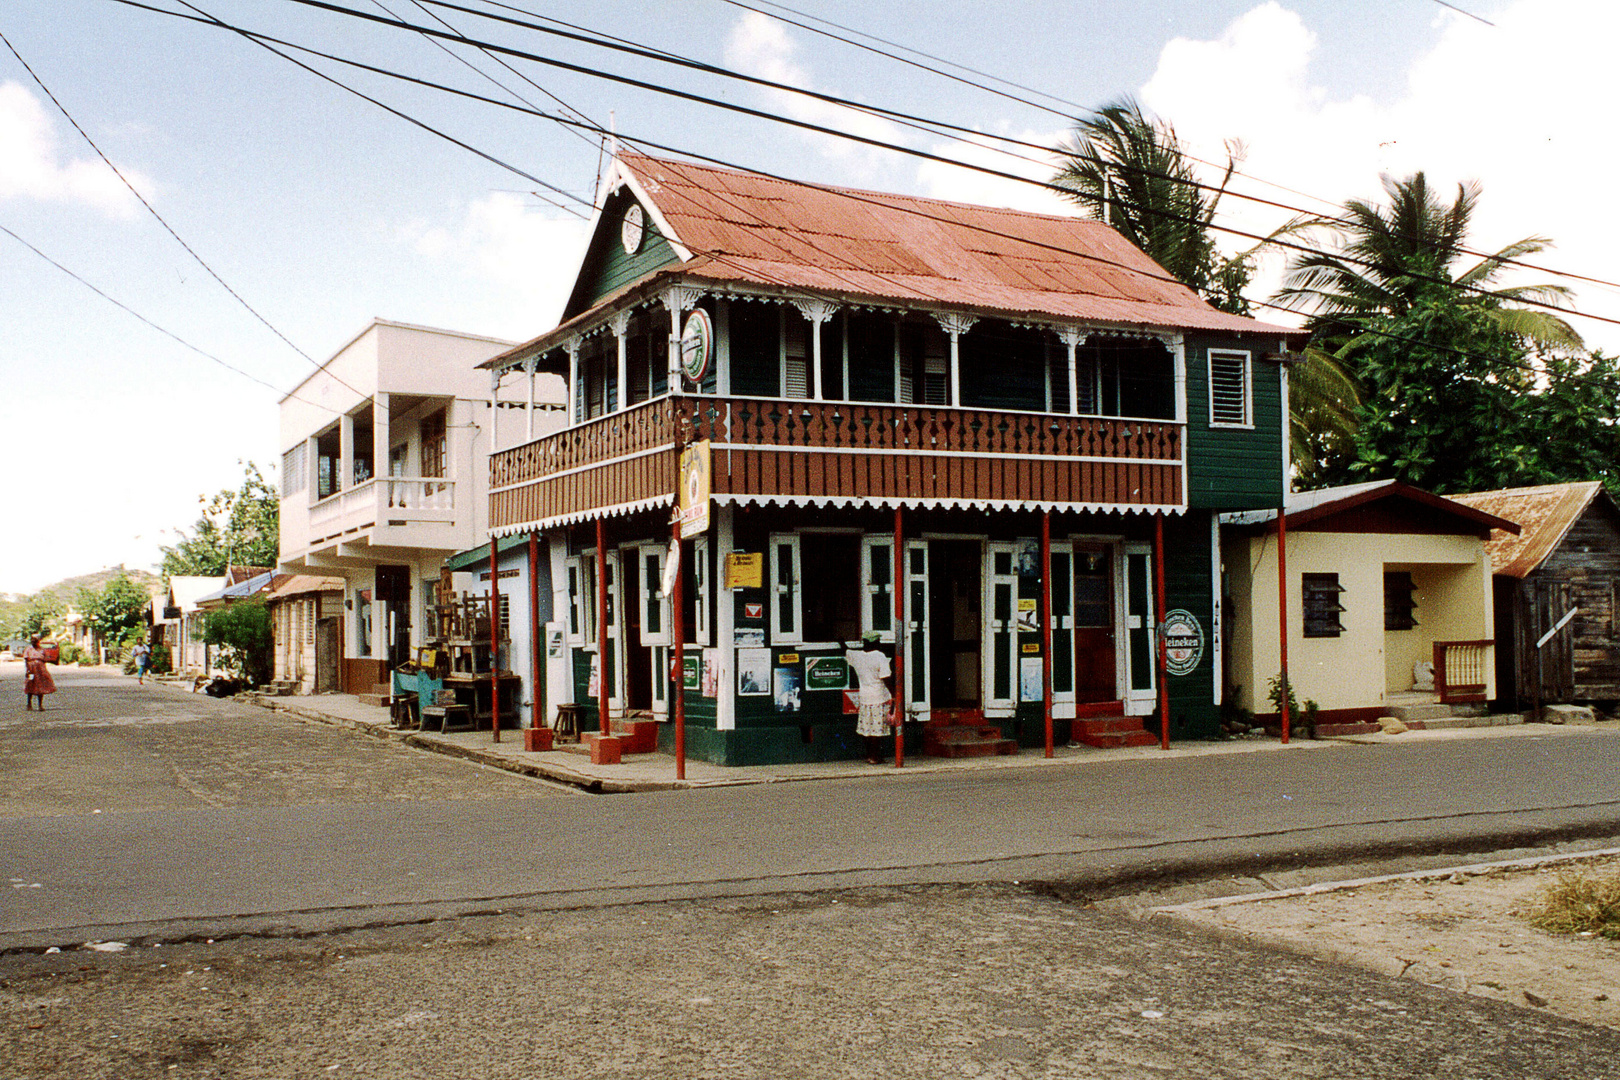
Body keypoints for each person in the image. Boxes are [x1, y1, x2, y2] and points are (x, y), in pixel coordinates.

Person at [845, 633, 893, 764]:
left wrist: (840, 641)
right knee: (876, 731)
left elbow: (844, 650)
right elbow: (886, 677)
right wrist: (894, 694)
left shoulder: (857, 655)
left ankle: (869, 755)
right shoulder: (880, 656)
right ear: (875, 643)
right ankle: (875, 757)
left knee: (866, 729)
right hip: (879, 696)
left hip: (864, 697)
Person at [23, 635, 56, 711]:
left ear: (38, 641)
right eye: (32, 641)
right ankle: (29, 704)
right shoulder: (28, 649)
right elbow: (26, 660)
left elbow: (45, 660)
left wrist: (43, 670)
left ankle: (40, 705)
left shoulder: (42, 649)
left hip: (40, 669)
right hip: (31, 669)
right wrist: (28, 670)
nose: (33, 642)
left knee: (41, 687)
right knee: (30, 685)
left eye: (35, 641)